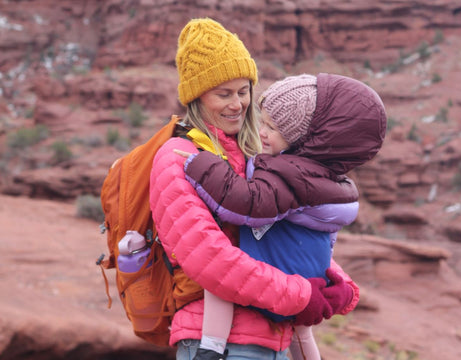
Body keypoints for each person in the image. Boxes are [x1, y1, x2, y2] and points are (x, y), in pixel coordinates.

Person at [149, 18, 361, 360]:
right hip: (219, 345)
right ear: (196, 97)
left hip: (275, 338)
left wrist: (335, 282)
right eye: (224, 94)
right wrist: (304, 296)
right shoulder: (179, 158)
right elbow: (211, 260)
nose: (238, 104)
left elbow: (288, 233)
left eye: (244, 91)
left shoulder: (256, 155)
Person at [178, 73, 387, 359]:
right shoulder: (328, 175)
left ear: (302, 139)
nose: (261, 132)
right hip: (311, 268)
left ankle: (211, 347)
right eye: (262, 122)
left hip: (284, 265)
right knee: (301, 332)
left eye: (272, 128)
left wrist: (203, 165)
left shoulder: (291, 173)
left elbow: (247, 204)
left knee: (220, 278)